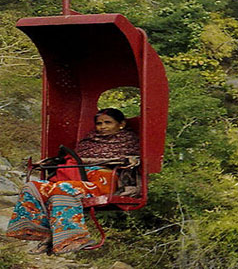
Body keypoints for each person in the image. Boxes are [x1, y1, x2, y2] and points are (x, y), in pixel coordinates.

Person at [5, 108, 140, 254]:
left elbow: (133, 162)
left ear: (121, 124)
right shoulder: (89, 142)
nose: (103, 127)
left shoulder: (128, 141)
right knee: (33, 187)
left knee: (64, 188)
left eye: (108, 122)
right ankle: (51, 235)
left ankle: (69, 238)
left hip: (102, 182)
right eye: (99, 123)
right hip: (78, 180)